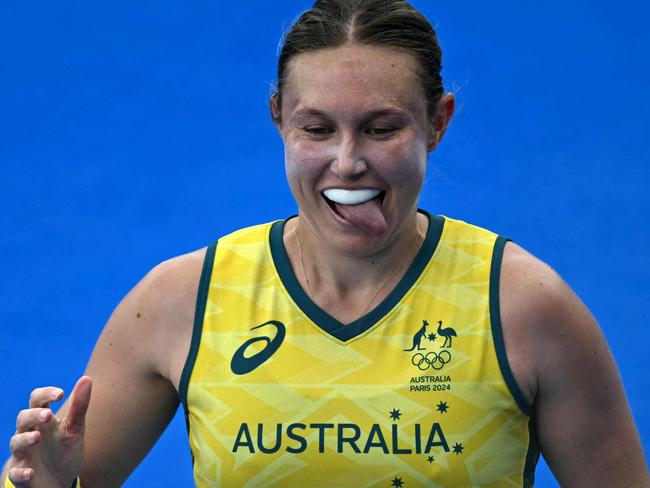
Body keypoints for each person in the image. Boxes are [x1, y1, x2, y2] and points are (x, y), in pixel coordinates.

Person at [3, 1, 648, 486]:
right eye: (317, 128)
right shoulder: (181, 301)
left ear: (437, 123)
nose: (347, 162)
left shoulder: (525, 307)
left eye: (380, 128)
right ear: (278, 118)